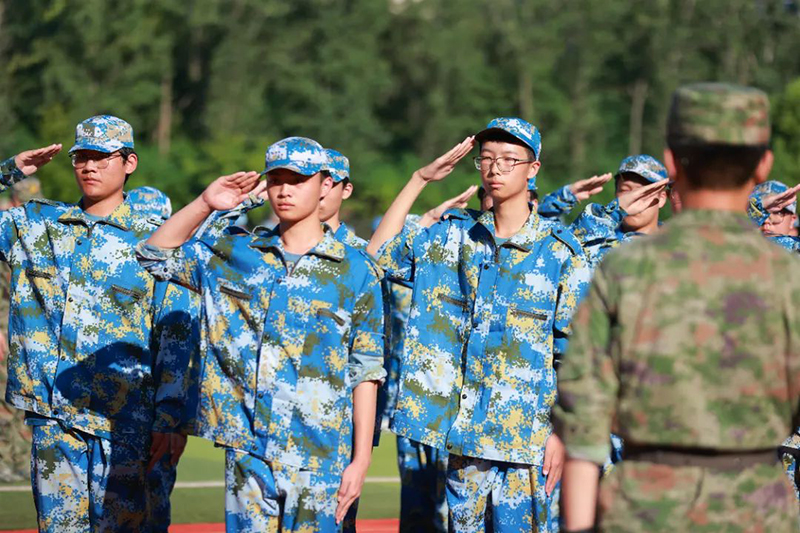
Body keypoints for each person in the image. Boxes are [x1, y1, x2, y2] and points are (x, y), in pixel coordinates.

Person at [555, 82, 800, 532]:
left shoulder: (624, 268)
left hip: (645, 507)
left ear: (671, 163)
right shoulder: (788, 275)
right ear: (764, 164)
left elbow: (582, 418)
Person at [137, 136, 386, 532]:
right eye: (276, 180)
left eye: (298, 180)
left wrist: (361, 461)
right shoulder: (238, 253)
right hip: (247, 447)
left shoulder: (355, 270)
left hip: (321, 452)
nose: (284, 191)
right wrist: (206, 203)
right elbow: (153, 254)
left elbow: (366, 370)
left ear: (325, 185)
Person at [369, 117, 591, 532]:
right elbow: (377, 257)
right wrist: (419, 180)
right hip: (464, 439)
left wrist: (564, 434)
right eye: (487, 158)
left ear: (533, 168)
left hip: (527, 443)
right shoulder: (453, 238)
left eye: (509, 159)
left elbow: (578, 357)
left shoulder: (560, 254)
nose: (495, 168)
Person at [0, 115, 190, 532]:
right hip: (54, 422)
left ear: (129, 162)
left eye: (102, 157)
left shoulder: (155, 240)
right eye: (81, 157)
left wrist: (172, 418)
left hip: (127, 426)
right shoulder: (37, 226)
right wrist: (10, 171)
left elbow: (175, 335)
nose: (89, 166)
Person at [0, 177, 41, 483]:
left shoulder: (35, 235)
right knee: (3, 395)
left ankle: (21, 459)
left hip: (29, 328)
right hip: (4, 326)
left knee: (25, 394)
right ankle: (3, 459)